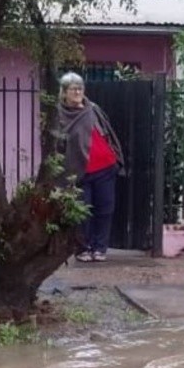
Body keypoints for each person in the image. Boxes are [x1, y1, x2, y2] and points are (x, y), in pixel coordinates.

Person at [58, 72, 125, 263]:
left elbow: (107, 132)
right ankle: (82, 248)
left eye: (80, 88)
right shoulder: (60, 114)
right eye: (73, 88)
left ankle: (100, 248)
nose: (78, 91)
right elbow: (58, 143)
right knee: (81, 213)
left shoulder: (93, 109)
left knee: (105, 209)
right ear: (64, 92)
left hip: (105, 168)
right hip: (78, 172)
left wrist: (115, 156)